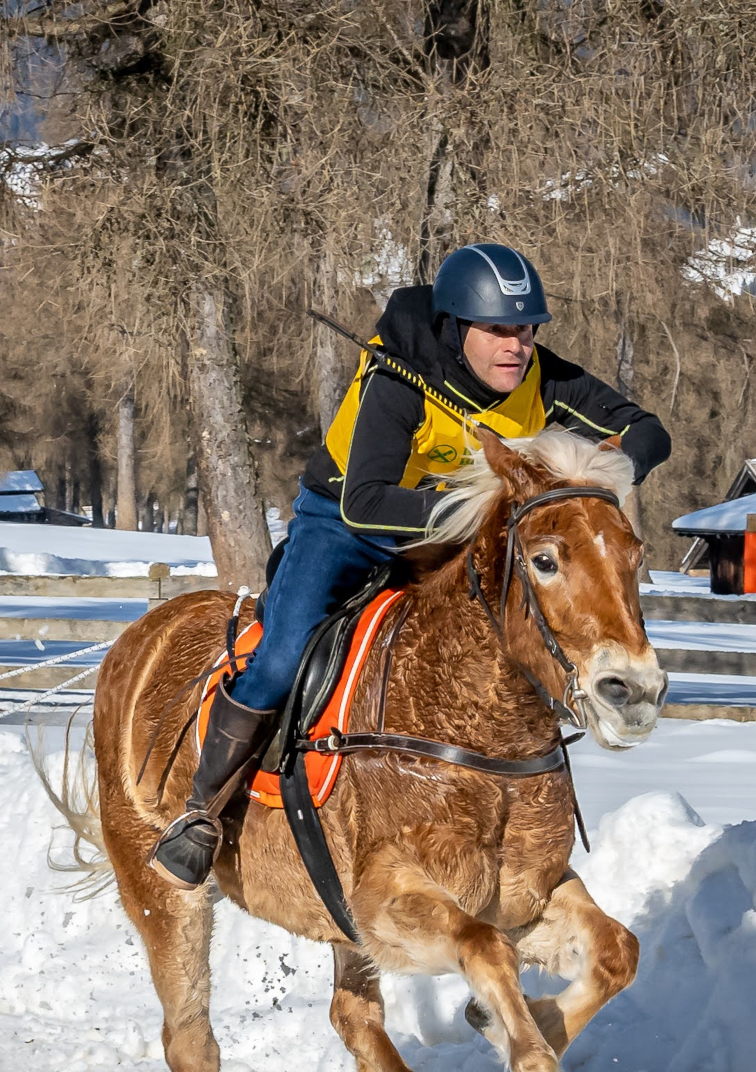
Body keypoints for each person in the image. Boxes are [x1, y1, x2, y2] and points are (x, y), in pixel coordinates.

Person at [150, 243, 673, 888]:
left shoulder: (546, 377)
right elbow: (366, 501)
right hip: (345, 524)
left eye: (527, 329)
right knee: (284, 654)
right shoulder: (400, 379)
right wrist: (478, 508)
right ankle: (203, 811)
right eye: (499, 330)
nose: (517, 346)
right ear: (457, 328)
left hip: (456, 533)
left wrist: (599, 472)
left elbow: (650, 433)